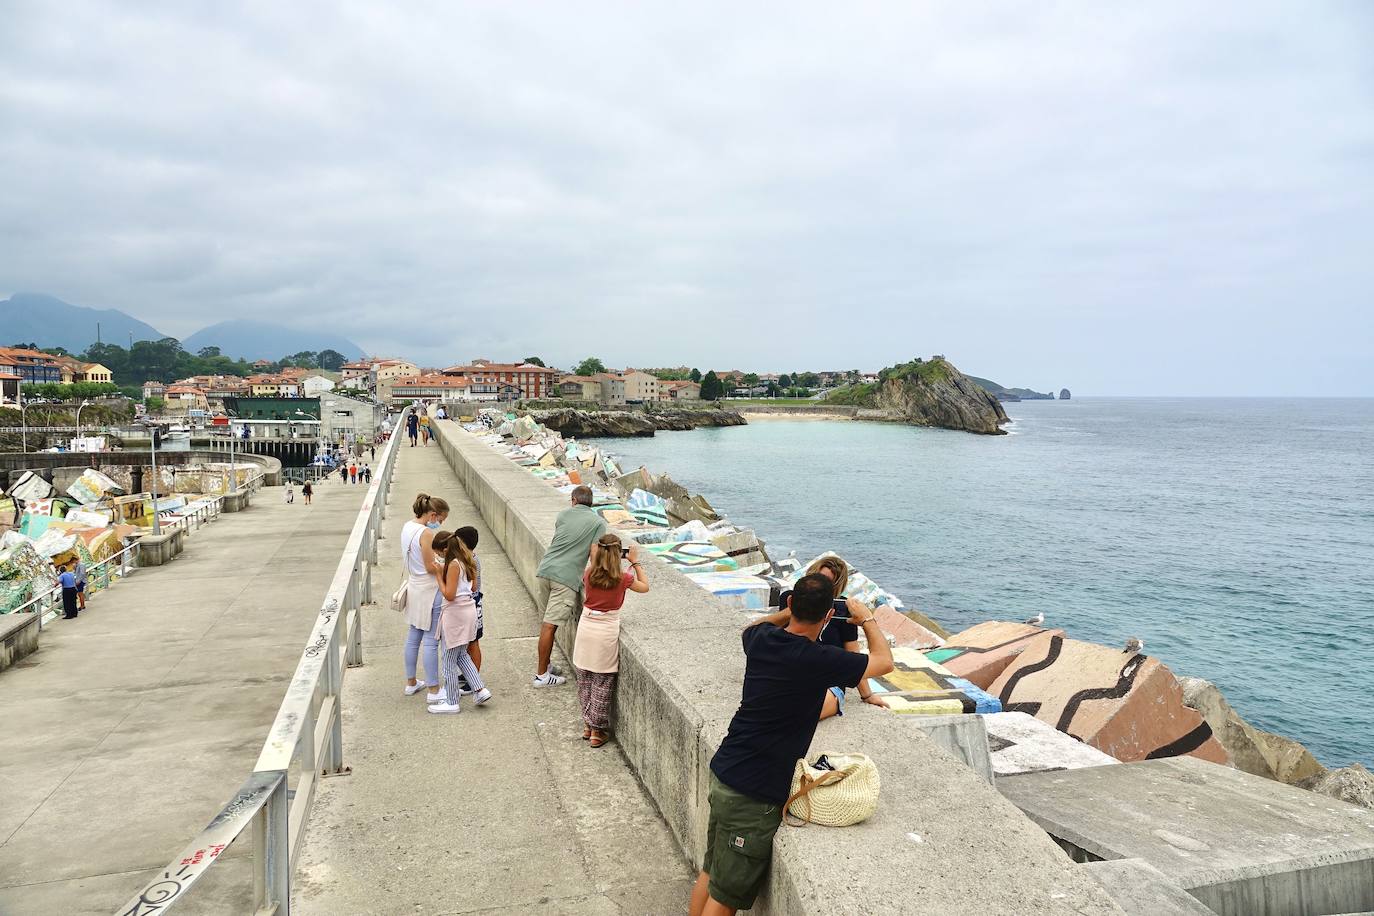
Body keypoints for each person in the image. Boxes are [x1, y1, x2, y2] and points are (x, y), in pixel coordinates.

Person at [688, 574, 894, 916]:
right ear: (829, 617)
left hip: (725, 770)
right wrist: (866, 617)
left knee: (711, 872)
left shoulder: (761, 638)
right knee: (725, 895)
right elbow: (884, 663)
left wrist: (789, 610)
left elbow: (752, 626)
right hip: (753, 791)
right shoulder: (817, 659)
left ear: (790, 605)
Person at [778, 557, 890, 720]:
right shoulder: (791, 599)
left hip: (830, 680)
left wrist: (867, 695)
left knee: (800, 714)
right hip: (795, 671)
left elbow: (854, 653)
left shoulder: (844, 609)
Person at [573, 533, 649, 747]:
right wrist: (635, 562)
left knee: (584, 677)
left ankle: (588, 725)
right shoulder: (623, 578)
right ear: (618, 553)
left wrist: (597, 554)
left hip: (586, 626)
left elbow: (595, 562)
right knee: (602, 681)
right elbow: (645, 587)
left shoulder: (589, 574)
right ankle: (597, 731)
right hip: (606, 629)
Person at [532, 484, 606, 687]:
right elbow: (594, 554)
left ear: (573, 500)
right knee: (550, 625)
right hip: (564, 579)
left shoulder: (563, 515)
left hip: (545, 570)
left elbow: (562, 539)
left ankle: (545, 666)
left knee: (546, 624)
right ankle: (541, 676)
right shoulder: (598, 522)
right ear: (591, 503)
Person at [428, 530, 491, 714]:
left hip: (455, 615)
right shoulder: (467, 559)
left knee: (448, 659)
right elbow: (472, 586)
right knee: (462, 654)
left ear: (446, 549)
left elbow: (449, 594)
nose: (439, 557)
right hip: (468, 611)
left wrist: (439, 574)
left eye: (440, 554)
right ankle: (480, 689)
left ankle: (452, 701)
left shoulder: (455, 564)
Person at [401, 493, 449, 700]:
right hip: (429, 590)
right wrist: (449, 565)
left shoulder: (407, 527)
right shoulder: (426, 533)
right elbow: (431, 567)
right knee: (431, 640)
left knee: (413, 637)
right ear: (432, 515)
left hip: (414, 586)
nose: (439, 524)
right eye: (440, 520)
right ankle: (434, 690)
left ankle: (411, 682)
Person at [455, 526, 485, 676]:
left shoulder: (472, 561)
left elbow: (473, 588)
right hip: (469, 604)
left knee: (473, 642)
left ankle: (474, 678)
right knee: (467, 641)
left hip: (473, 604)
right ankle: (468, 673)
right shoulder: (466, 559)